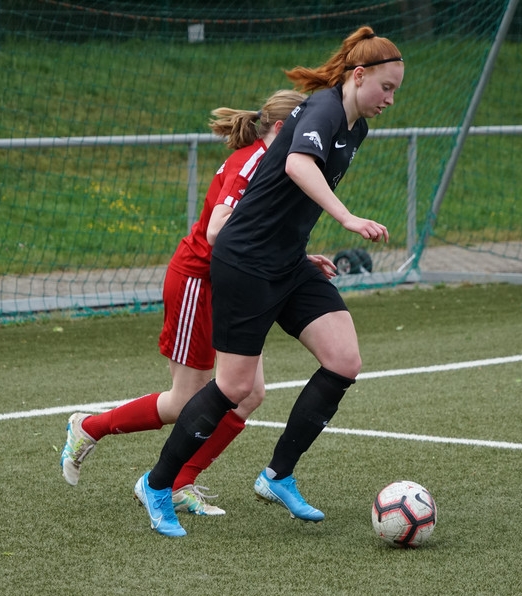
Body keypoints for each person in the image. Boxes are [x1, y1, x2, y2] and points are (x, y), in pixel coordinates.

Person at [133, 26, 403, 537]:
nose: (390, 99)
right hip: (246, 262)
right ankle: (157, 483)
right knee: (235, 387)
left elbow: (287, 198)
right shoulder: (323, 109)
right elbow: (298, 164)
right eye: (385, 87)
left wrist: (301, 253)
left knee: (344, 361)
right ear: (358, 75)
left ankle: (277, 475)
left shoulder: (355, 128)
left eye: (395, 90)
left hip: (287, 262)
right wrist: (347, 218)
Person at [60, 89, 334, 517]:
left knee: (247, 395)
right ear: (283, 129)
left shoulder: (275, 161)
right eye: (306, 129)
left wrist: (293, 259)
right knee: (184, 400)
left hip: (238, 285)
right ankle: (88, 427)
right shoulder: (252, 161)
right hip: (199, 281)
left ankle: (179, 482)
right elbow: (218, 231)